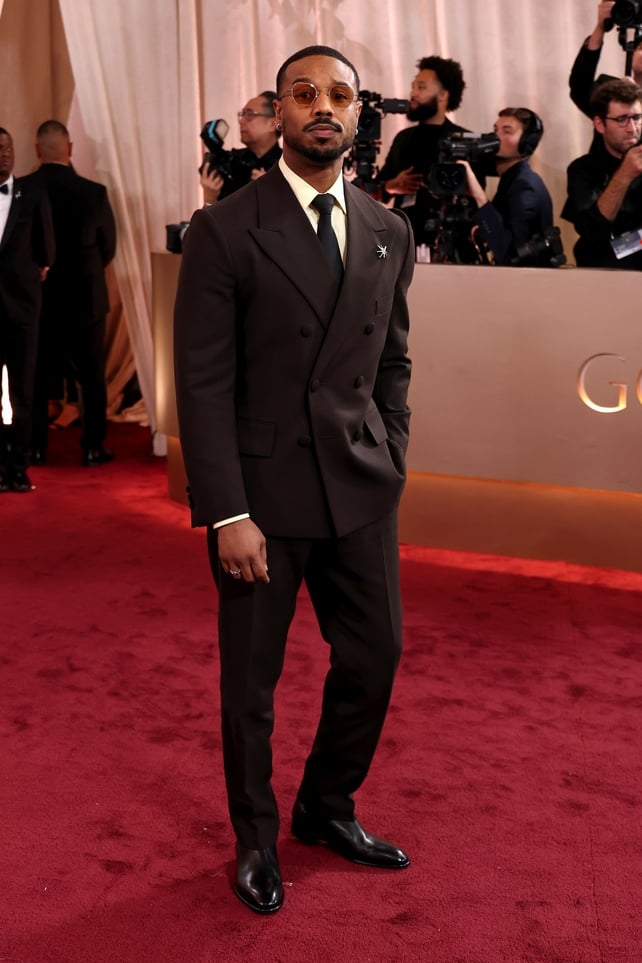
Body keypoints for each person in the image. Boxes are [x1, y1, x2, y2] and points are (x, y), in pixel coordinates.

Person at [174, 45, 415, 915]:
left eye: (340, 95)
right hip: (261, 499)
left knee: (376, 655)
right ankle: (255, 838)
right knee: (253, 684)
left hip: (360, 489)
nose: (324, 107)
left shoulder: (390, 230)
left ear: (358, 115)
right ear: (277, 111)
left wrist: (389, 451)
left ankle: (326, 806)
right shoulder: (226, 228)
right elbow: (200, 382)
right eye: (304, 93)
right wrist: (224, 511)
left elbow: (393, 362)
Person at [30, 119, 117, 466]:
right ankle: (93, 446)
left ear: (37, 151)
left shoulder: (24, 189)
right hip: (87, 298)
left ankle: (35, 447)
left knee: (36, 377)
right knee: (92, 376)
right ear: (69, 149)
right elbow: (107, 248)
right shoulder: (94, 192)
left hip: (40, 299)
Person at [376, 55, 482, 250]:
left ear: (443, 95)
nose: (413, 94)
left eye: (421, 87)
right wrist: (391, 186)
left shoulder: (465, 141)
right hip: (404, 244)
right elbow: (378, 191)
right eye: (413, 87)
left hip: (453, 247)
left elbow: (477, 202)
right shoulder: (403, 138)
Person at [0, 127, 54, 493]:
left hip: (21, 309)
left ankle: (19, 467)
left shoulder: (32, 193)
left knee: (23, 392)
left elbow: (46, 250)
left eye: (8, 148)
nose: (4, 154)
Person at [457, 108, 555, 266]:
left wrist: (479, 196)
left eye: (507, 131)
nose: (496, 137)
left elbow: (510, 254)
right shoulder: (513, 180)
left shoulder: (525, 186)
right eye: (495, 130)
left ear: (526, 142)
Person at [562, 78, 642, 269]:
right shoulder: (582, 169)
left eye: (637, 118)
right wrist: (625, 174)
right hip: (602, 274)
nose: (632, 128)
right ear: (599, 124)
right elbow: (592, 231)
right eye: (622, 119)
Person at [200, 90, 282, 205]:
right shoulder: (232, 162)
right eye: (241, 114)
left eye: (249, 115)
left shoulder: (288, 166)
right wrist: (210, 199)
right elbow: (214, 221)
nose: (241, 121)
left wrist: (271, 193)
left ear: (273, 124)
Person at [570, 2, 642, 119]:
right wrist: (600, 27)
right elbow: (579, 87)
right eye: (640, 48)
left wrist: (637, 97)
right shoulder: (609, 94)